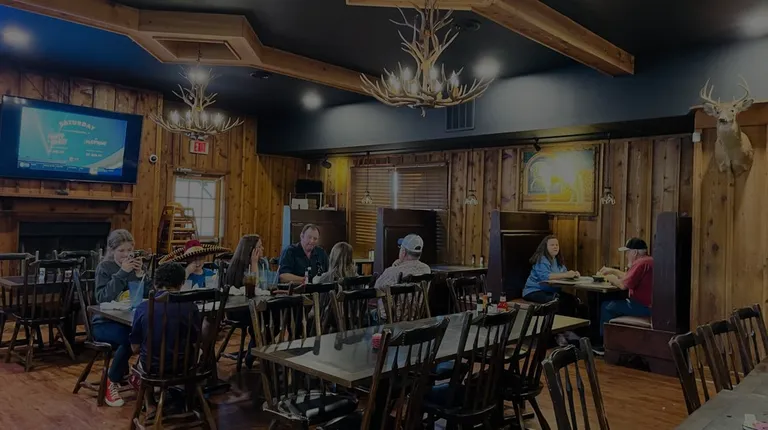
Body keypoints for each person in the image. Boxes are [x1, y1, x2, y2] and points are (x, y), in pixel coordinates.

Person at [92, 229, 148, 407]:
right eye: (121, 250)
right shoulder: (105, 268)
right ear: (112, 251)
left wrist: (141, 276)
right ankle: (111, 381)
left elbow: (148, 295)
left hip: (129, 320)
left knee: (149, 333)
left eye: (129, 250)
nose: (126, 254)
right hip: (104, 323)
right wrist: (122, 272)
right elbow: (102, 298)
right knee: (132, 338)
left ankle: (137, 373)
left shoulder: (134, 268)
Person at [593, 238, 653, 355]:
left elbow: (623, 285)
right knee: (614, 304)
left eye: (627, 252)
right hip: (650, 306)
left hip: (643, 307)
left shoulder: (640, 263)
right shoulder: (648, 260)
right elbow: (629, 277)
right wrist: (612, 271)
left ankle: (605, 344)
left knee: (607, 306)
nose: (626, 256)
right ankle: (617, 343)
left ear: (634, 252)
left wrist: (609, 278)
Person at [522, 235, 581, 346]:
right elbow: (545, 277)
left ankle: (567, 331)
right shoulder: (542, 259)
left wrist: (573, 274)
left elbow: (564, 274)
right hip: (533, 291)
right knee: (556, 301)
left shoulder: (558, 261)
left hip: (550, 291)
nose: (555, 247)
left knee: (571, 300)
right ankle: (557, 334)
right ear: (545, 247)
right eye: (552, 245)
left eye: (557, 245)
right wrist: (566, 275)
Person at [224, 234, 270, 369]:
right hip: (239, 310)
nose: (262, 249)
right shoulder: (237, 267)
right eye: (259, 247)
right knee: (266, 319)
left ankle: (255, 348)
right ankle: (254, 350)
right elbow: (253, 288)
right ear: (251, 250)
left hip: (254, 307)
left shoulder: (262, 264)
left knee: (275, 317)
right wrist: (254, 263)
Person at [374, 234, 431, 321]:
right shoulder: (426, 269)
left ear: (403, 252)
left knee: (367, 316)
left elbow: (376, 288)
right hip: (416, 317)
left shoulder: (393, 271)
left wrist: (394, 267)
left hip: (392, 320)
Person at [158, 240, 231, 289]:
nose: (198, 262)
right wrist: (187, 272)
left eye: (201, 258)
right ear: (187, 260)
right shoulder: (181, 274)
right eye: (194, 259)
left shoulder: (210, 274)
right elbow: (176, 289)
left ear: (204, 258)